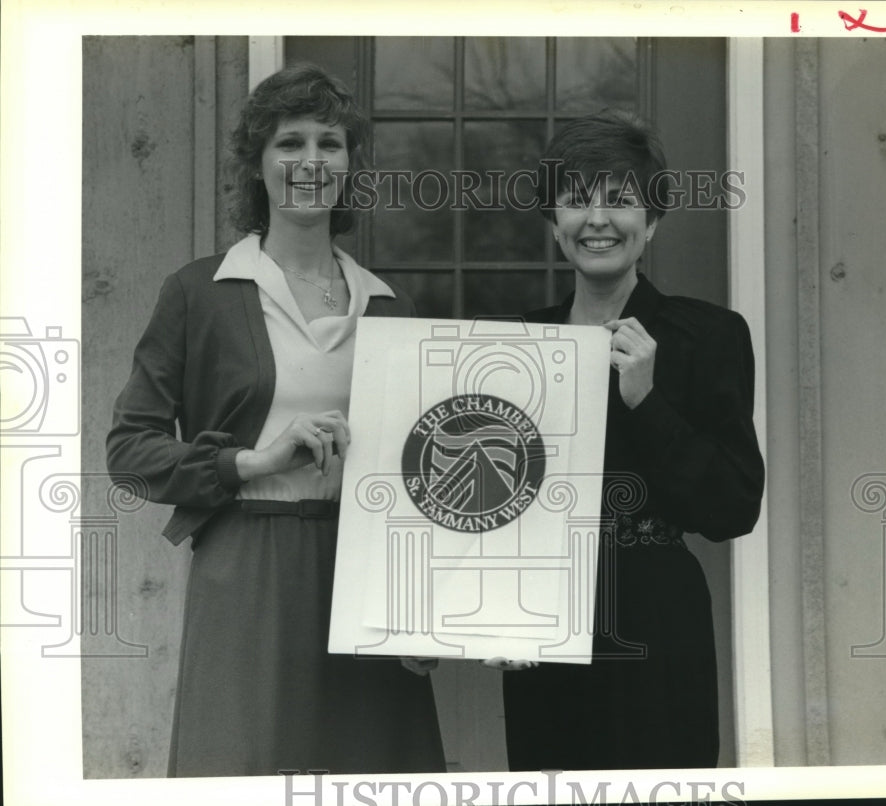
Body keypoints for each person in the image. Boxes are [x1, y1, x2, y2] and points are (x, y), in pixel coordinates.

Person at [106, 64, 445, 777]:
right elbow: (129, 450)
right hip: (247, 569)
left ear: (351, 166)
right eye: (290, 143)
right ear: (257, 165)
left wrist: (427, 608)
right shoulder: (201, 292)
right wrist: (250, 461)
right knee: (242, 767)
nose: (311, 162)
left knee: (369, 772)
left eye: (331, 143)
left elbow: (426, 484)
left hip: (365, 576)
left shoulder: (388, 308)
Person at [495, 112, 765, 770]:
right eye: (577, 198)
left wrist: (648, 399)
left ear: (652, 221)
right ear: (552, 220)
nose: (597, 219)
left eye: (619, 199)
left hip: (657, 618)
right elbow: (495, 501)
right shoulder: (521, 343)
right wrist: (497, 608)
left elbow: (733, 509)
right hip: (545, 622)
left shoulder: (709, 336)